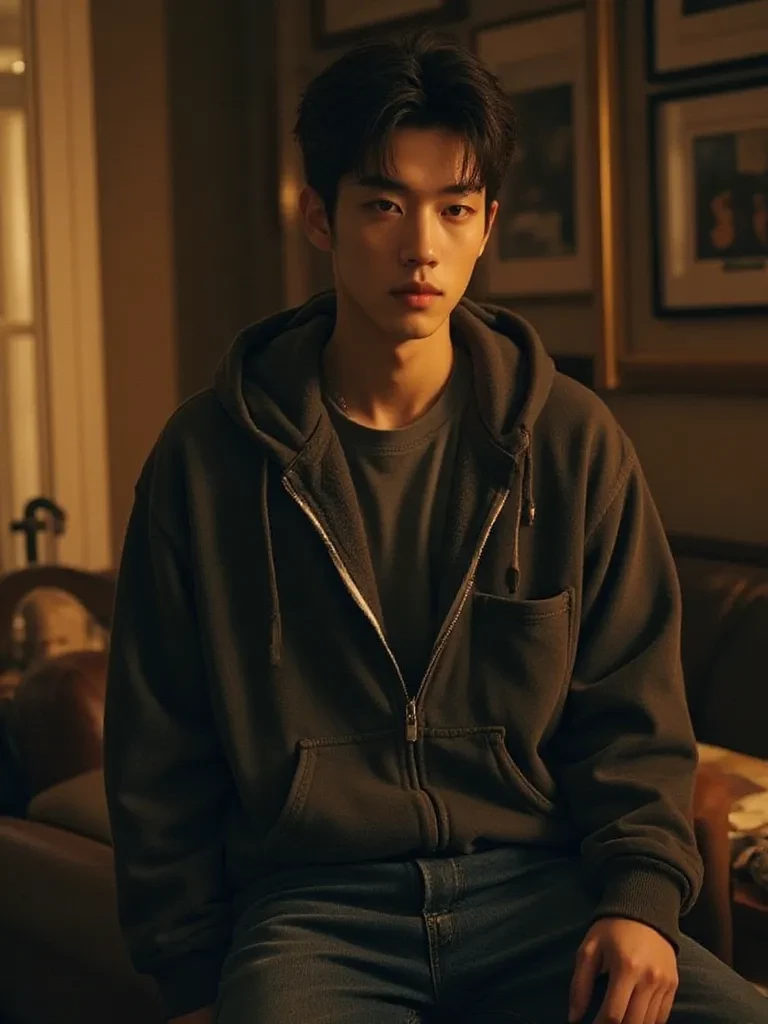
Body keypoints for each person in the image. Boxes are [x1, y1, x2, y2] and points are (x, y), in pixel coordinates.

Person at [103, 30, 768, 1024]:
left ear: (487, 224)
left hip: (539, 893)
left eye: (454, 208)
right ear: (319, 218)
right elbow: (158, 744)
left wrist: (638, 901)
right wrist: (191, 976)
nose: (422, 247)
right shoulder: (205, 458)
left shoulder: (571, 439)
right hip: (314, 911)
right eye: (384, 205)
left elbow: (635, 712)